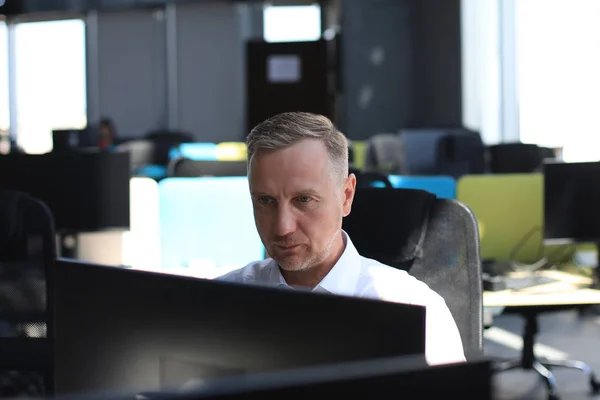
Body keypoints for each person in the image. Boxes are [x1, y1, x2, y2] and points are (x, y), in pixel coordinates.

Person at [216, 112, 465, 366]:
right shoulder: (219, 305)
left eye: (304, 200)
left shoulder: (415, 309)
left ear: (346, 196)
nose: (283, 227)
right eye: (265, 201)